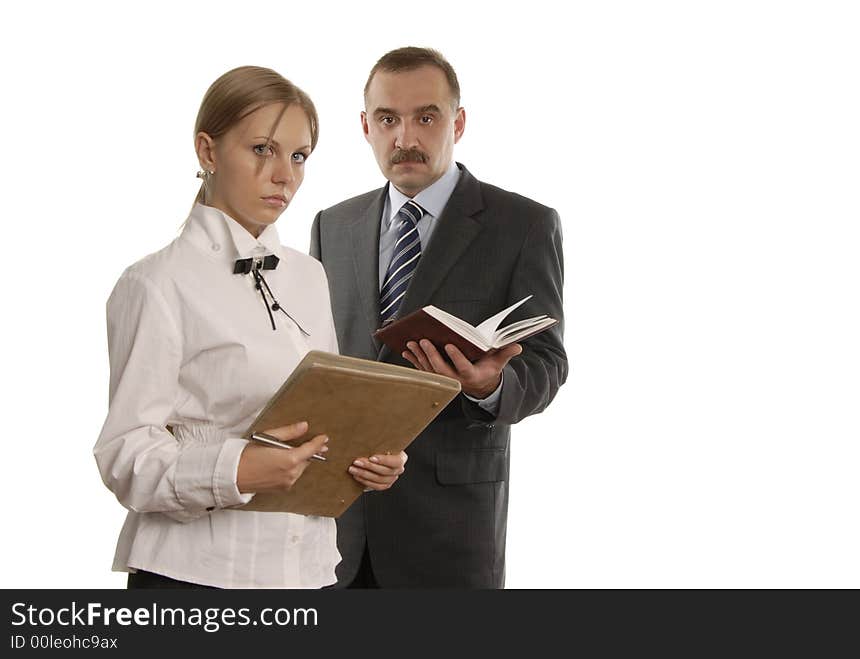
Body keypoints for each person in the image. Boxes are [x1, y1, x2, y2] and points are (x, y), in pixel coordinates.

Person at [94, 66, 407, 589]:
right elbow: (125, 456)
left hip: (308, 573)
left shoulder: (309, 275)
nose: (284, 174)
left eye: (299, 155)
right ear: (208, 151)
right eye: (262, 148)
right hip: (194, 577)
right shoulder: (155, 283)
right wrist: (235, 470)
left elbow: (324, 411)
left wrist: (366, 457)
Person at [311, 47, 567, 588]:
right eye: (387, 119)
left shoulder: (523, 225)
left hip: (449, 532)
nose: (405, 138)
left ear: (459, 122)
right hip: (335, 527)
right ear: (365, 126)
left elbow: (548, 363)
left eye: (426, 117)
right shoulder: (332, 226)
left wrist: (490, 385)